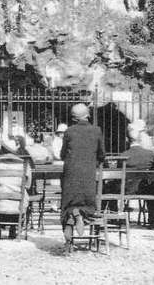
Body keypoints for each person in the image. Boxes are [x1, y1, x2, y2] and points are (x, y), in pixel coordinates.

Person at [60, 103, 105, 248]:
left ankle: (71, 217)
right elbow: (102, 155)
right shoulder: (96, 130)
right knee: (89, 203)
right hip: (88, 174)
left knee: (68, 202)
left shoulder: (69, 131)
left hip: (71, 174)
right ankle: (80, 214)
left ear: (73, 118)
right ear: (88, 115)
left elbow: (62, 154)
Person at [121, 124, 154, 226]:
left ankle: (114, 216)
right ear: (140, 139)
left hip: (127, 189)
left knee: (108, 187)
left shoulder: (123, 155)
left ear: (127, 140)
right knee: (153, 187)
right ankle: (152, 220)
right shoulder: (150, 154)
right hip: (145, 188)